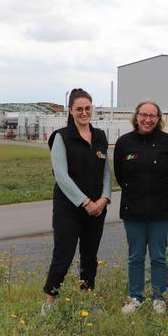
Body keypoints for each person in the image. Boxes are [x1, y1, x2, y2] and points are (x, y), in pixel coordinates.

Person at [42, 88, 111, 314]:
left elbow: (105, 172)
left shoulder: (100, 136)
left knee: (90, 256)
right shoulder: (61, 137)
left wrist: (104, 198)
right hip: (68, 209)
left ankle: (87, 300)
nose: (84, 113)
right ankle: (49, 303)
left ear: (93, 109)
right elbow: (61, 175)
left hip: (97, 209)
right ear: (71, 111)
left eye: (87, 108)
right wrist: (85, 202)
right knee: (63, 255)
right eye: (79, 109)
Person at [114, 100, 168, 314]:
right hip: (133, 209)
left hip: (162, 209)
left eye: (152, 115)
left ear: (158, 119)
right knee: (135, 256)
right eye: (143, 115)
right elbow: (120, 174)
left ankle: (158, 298)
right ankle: (135, 297)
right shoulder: (124, 143)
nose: (147, 119)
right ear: (136, 117)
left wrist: (161, 193)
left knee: (158, 256)